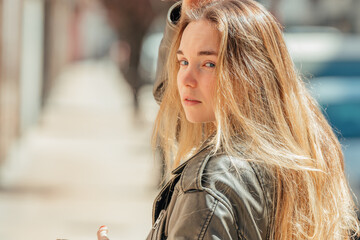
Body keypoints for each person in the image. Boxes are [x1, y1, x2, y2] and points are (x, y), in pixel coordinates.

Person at [98, 0, 360, 239]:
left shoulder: (209, 188)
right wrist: (186, 14)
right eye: (183, 62)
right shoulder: (305, 160)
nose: (186, 80)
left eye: (208, 64)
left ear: (251, 74)